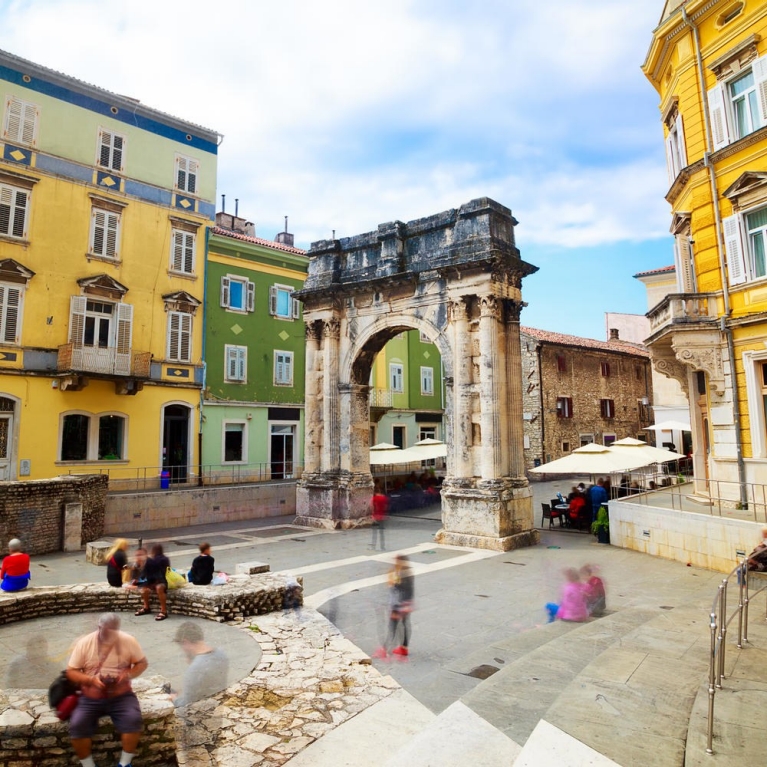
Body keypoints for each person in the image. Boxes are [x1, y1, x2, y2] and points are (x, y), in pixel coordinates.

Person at [66, 612, 148, 767]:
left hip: (121, 696)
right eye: (106, 631)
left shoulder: (128, 641)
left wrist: (127, 675)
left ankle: (124, 764)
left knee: (133, 720)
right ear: (99, 627)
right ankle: (88, 765)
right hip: (90, 697)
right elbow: (71, 671)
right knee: (77, 725)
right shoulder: (85, 643)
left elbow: (142, 663)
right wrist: (91, 680)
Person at [171, 622, 229, 707]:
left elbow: (187, 704)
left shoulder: (195, 670)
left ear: (185, 642)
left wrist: (174, 699)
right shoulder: (221, 654)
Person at [373, 555, 414, 659]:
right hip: (404, 603)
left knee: (393, 626)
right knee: (403, 625)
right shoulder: (406, 572)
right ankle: (403, 648)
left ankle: (385, 649)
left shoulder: (402, 573)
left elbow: (401, 588)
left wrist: (394, 584)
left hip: (399, 604)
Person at [136, 544, 169, 620]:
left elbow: (158, 576)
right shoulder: (140, 564)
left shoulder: (152, 562)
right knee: (144, 589)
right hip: (151, 582)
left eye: (141, 555)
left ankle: (164, 611)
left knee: (159, 588)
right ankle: (146, 607)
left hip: (159, 581)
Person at [370, 484, 388, 551]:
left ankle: (373, 546)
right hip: (382, 516)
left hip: (376, 516)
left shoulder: (374, 498)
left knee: (374, 533)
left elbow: (372, 508)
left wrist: (372, 516)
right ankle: (382, 546)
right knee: (381, 533)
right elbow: (385, 507)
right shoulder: (384, 498)